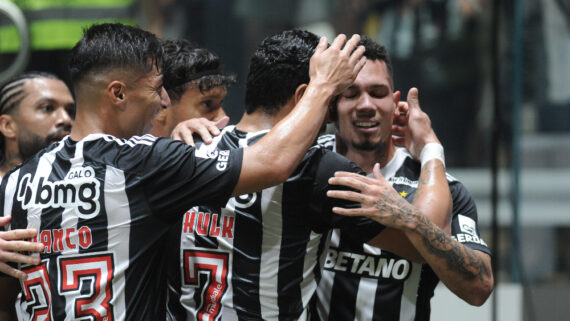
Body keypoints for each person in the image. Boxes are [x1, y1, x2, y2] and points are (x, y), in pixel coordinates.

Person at [0, 23, 366, 321]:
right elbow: (272, 162)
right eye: (157, 89)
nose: (163, 102)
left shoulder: (16, 181)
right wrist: (323, 87)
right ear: (118, 94)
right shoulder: (146, 164)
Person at [165, 29, 451, 321]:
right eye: (331, 102)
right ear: (305, 96)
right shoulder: (318, 169)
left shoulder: (186, 147)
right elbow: (429, 240)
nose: (332, 115)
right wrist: (430, 147)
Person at [315, 36, 494, 321]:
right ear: (333, 104)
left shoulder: (441, 187)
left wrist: (408, 215)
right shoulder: (307, 165)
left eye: (377, 92)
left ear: (395, 103)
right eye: (351, 94)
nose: (365, 104)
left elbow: (479, 287)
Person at [0, 71, 74, 321]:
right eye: (47, 108)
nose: (65, 119)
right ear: (8, 125)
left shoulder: (81, 184)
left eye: (69, 110)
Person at [150, 39, 235, 140]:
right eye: (207, 104)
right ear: (160, 108)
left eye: (221, 103)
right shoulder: (128, 151)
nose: (223, 117)